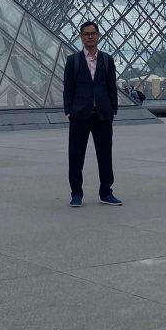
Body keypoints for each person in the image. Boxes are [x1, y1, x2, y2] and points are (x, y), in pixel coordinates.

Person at [63, 20, 121, 208]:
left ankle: (106, 192)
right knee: (76, 156)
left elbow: (112, 87)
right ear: (81, 37)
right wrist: (69, 111)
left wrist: (113, 109)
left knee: (105, 156)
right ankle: (76, 194)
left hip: (103, 115)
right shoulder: (73, 61)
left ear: (98, 35)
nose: (90, 36)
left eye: (93, 33)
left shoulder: (107, 59)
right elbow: (68, 88)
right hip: (79, 115)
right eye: (86, 34)